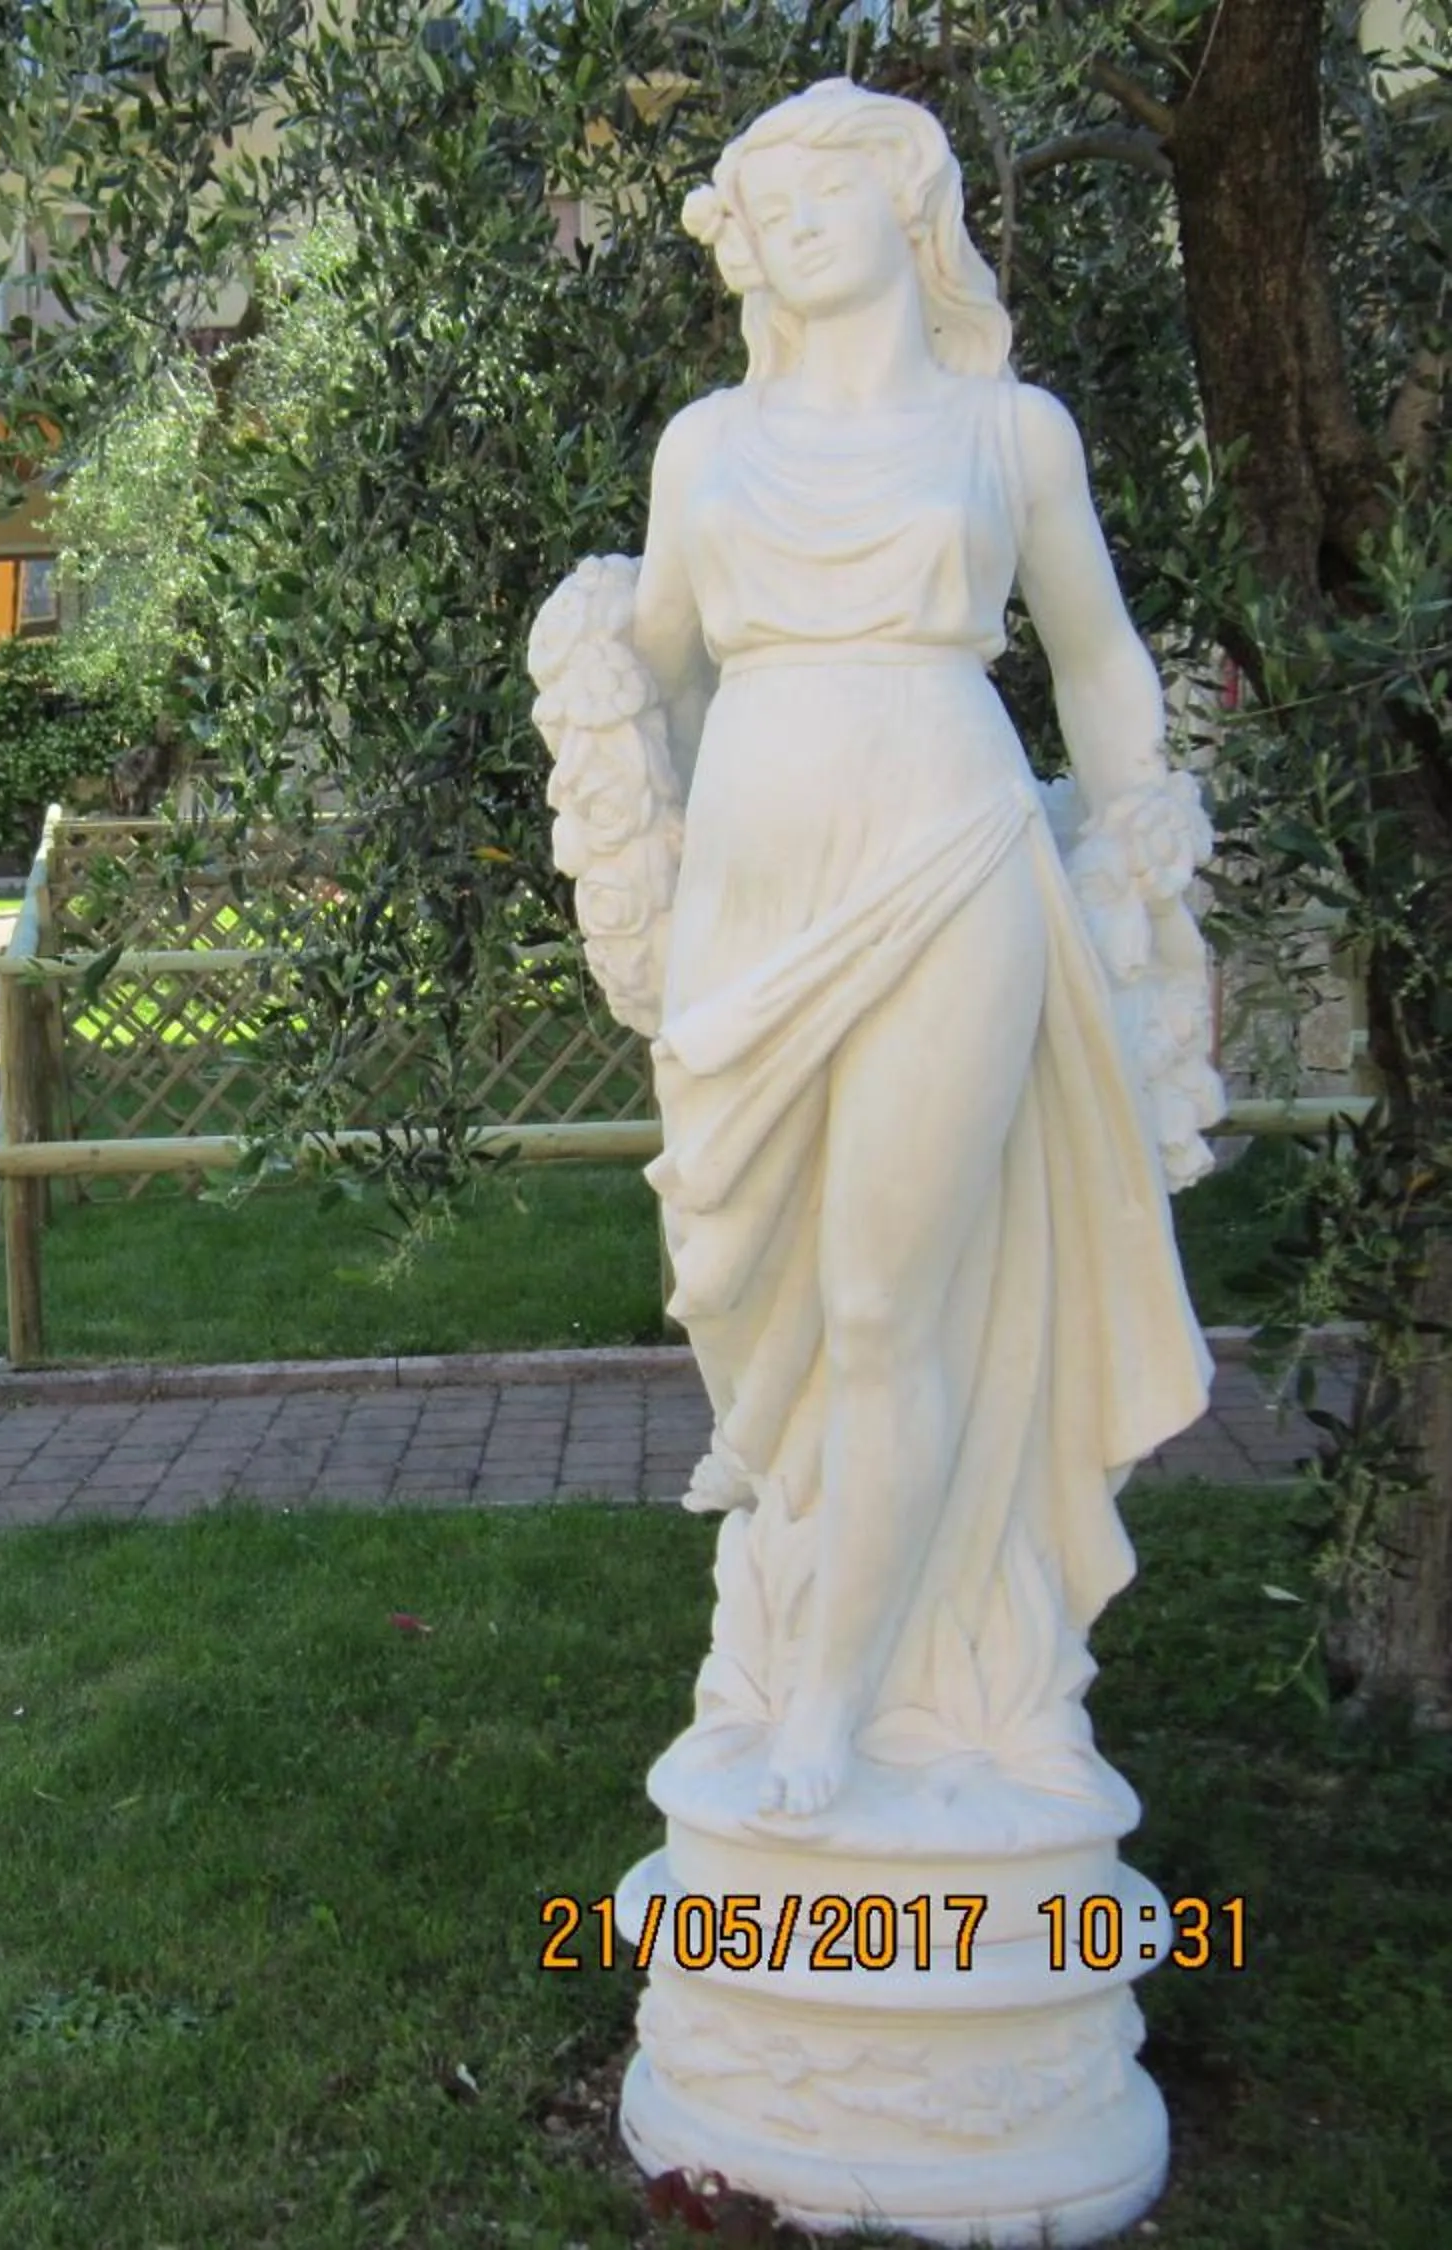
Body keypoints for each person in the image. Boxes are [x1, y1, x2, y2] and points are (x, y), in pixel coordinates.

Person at [537, 80, 1219, 1830]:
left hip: (954, 864)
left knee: (882, 1298)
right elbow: (668, 664)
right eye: (762, 200)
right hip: (754, 916)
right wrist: (606, 728)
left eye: (823, 182)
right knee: (743, 1279)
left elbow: (1096, 655)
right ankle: (799, 1630)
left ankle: (846, 1699)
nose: (788, 218)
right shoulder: (709, 447)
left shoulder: (1013, 436)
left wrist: (1142, 827)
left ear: (909, 201)